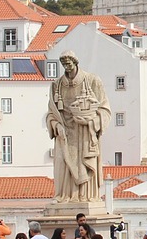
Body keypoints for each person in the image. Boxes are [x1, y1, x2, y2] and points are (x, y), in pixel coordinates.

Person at [46, 51, 111, 203]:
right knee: (63, 165)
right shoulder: (56, 85)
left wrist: (91, 121)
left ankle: (85, 196)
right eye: (64, 65)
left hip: (85, 132)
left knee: (84, 165)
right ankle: (64, 196)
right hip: (64, 133)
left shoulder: (92, 81)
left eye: (69, 64)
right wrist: (56, 126)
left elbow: (105, 109)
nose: (67, 67)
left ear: (75, 63)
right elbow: (51, 114)